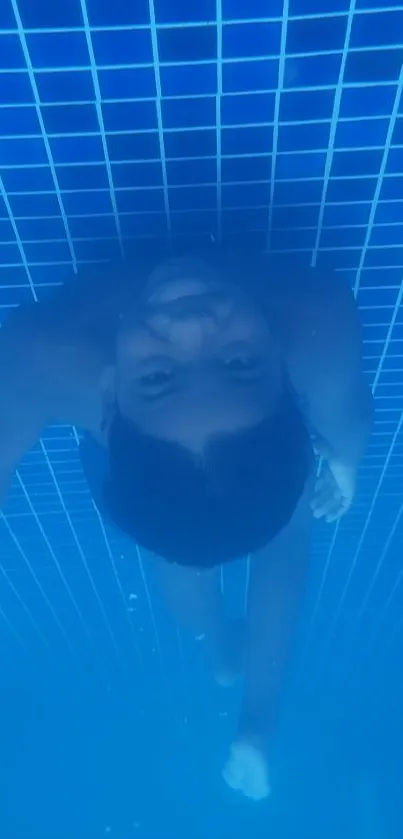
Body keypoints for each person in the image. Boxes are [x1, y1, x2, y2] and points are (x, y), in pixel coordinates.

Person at [0, 246, 372, 800]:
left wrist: (343, 455)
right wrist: (345, 465)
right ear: (285, 376)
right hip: (150, 461)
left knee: (178, 548)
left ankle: (221, 647)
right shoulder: (314, 315)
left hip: (134, 460)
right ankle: (257, 720)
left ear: (110, 394)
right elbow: (347, 413)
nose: (191, 324)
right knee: (287, 524)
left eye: (158, 376)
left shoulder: (43, 352)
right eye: (238, 364)